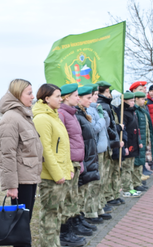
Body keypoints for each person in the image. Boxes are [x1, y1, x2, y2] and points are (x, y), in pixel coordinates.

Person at [33, 84, 85, 247]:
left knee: (57, 215)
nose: (60, 99)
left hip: (61, 174)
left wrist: (68, 169)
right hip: (51, 178)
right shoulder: (42, 118)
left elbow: (64, 148)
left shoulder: (53, 116)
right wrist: (58, 174)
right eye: (57, 96)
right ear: (47, 99)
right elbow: (46, 150)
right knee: (50, 216)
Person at [0, 79, 43, 247]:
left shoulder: (23, 115)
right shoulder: (11, 118)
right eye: (29, 93)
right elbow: (7, 154)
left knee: (25, 224)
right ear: (18, 95)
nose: (33, 97)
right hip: (20, 181)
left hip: (29, 177)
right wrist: (11, 185)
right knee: (19, 227)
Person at [58, 83, 92, 237]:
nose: (78, 98)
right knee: (68, 197)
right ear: (66, 97)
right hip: (69, 161)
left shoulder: (71, 113)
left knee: (74, 196)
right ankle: (66, 229)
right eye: (75, 95)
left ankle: (74, 223)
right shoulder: (62, 114)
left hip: (76, 160)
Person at [75, 86, 102, 226]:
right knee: (81, 191)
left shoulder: (83, 114)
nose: (91, 101)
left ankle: (83, 216)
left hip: (89, 155)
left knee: (86, 189)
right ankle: (81, 216)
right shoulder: (78, 116)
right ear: (78, 98)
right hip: (84, 156)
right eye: (88, 98)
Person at [86, 84, 113, 219]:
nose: (96, 97)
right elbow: (94, 129)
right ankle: (92, 210)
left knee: (101, 181)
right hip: (95, 149)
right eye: (93, 95)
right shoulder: (88, 111)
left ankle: (99, 206)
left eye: (96, 94)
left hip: (102, 148)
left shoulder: (95, 109)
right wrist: (102, 119)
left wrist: (104, 114)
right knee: (94, 183)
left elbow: (106, 125)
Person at [96, 81, 125, 206]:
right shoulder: (104, 105)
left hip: (111, 141)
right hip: (109, 141)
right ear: (106, 91)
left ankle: (112, 194)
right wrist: (117, 131)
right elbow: (108, 126)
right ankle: (109, 196)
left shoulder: (107, 104)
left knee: (111, 170)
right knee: (108, 171)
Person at [115, 92, 143, 197]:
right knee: (126, 168)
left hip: (134, 143)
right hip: (128, 144)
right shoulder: (123, 113)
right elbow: (124, 131)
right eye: (130, 101)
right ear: (124, 101)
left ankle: (130, 187)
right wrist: (125, 146)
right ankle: (127, 188)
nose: (133, 103)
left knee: (130, 167)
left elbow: (136, 129)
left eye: (133, 100)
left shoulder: (133, 112)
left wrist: (138, 142)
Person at [133, 91, 153, 191]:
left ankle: (138, 181)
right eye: (142, 99)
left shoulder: (142, 110)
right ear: (136, 99)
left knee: (140, 161)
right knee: (137, 162)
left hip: (143, 139)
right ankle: (136, 183)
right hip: (139, 140)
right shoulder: (136, 111)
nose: (144, 101)